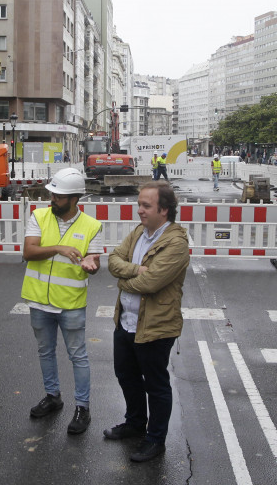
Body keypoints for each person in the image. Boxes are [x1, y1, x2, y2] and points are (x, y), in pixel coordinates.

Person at [105, 182, 189, 463]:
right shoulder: (140, 233)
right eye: (139, 204)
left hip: (155, 327)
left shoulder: (176, 244)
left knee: (156, 385)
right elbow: (113, 259)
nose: (139, 210)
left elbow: (151, 282)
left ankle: (155, 440)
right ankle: (135, 422)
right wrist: (132, 270)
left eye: (146, 206)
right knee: (126, 376)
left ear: (163, 210)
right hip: (126, 321)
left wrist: (123, 278)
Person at [21, 168, 103, 435]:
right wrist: (58, 248)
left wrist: (92, 265)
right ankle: (53, 396)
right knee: (45, 352)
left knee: (77, 356)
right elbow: (29, 251)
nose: (52, 199)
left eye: (57, 196)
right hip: (39, 302)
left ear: (74, 198)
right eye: (52, 194)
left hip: (71, 303)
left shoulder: (92, 226)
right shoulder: (39, 216)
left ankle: (83, 407)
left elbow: (94, 261)